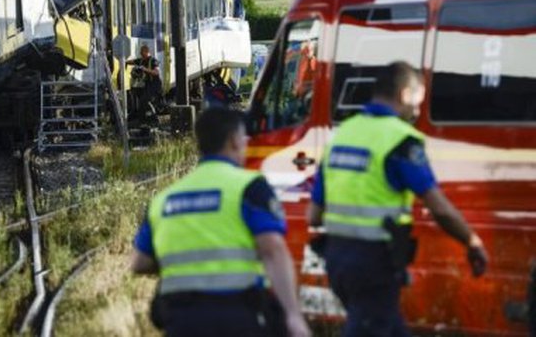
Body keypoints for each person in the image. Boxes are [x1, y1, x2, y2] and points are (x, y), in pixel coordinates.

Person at [307, 61, 489, 337]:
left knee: (388, 327)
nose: (418, 111)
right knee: (371, 327)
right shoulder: (400, 140)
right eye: (418, 101)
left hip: (338, 259)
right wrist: (471, 241)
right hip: (375, 263)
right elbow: (437, 205)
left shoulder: (342, 136)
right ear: (405, 95)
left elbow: (313, 215)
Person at [131, 107, 310, 337]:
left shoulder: (163, 199)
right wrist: (293, 315)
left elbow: (139, 262)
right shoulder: (249, 187)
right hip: (238, 316)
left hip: (181, 321)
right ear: (234, 141)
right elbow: (273, 250)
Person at [127, 44, 162, 118]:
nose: (141, 54)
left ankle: (153, 116)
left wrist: (145, 69)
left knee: (144, 100)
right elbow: (132, 62)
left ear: (146, 52)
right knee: (137, 96)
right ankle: (139, 116)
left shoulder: (153, 61)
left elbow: (156, 72)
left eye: (142, 53)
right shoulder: (141, 60)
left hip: (154, 85)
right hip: (147, 84)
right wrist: (125, 62)